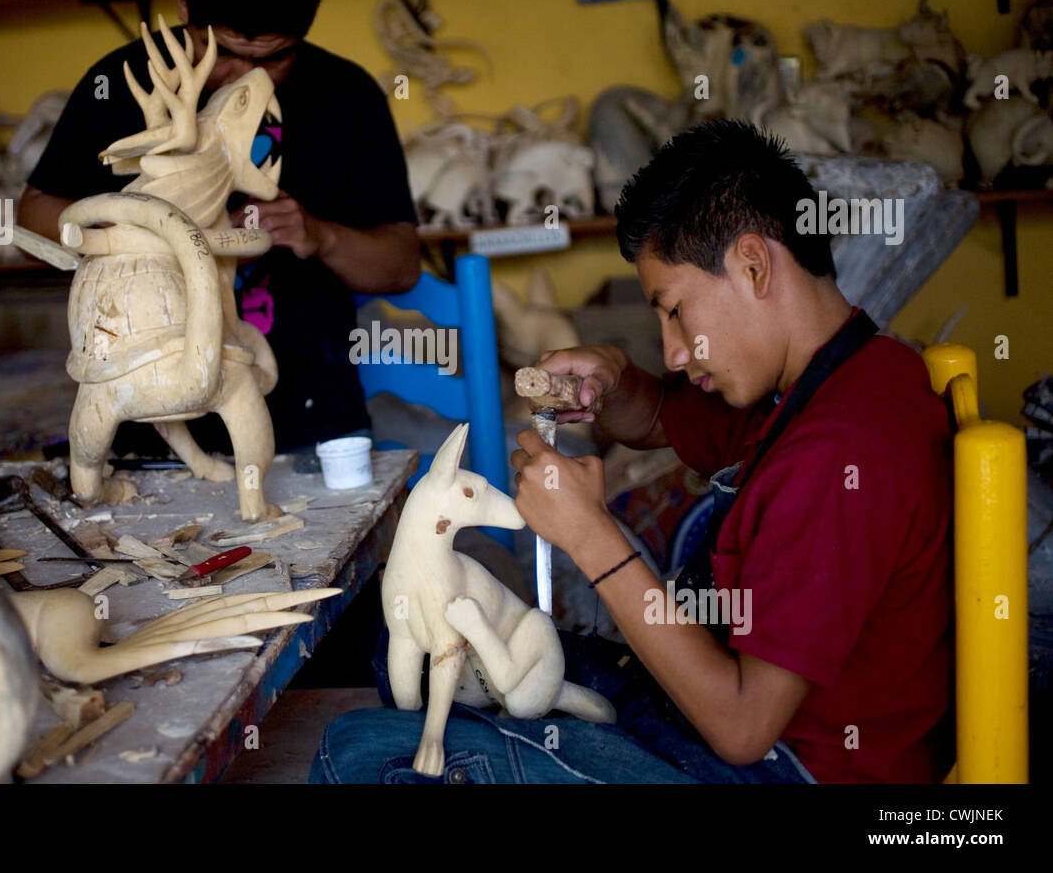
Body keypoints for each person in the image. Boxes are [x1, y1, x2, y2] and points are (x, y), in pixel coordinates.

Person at [312, 120, 954, 783]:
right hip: (724, 718)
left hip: (779, 766)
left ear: (755, 265)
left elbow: (741, 727)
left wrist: (590, 536)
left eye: (673, 309)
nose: (674, 350)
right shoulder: (831, 378)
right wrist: (610, 374)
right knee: (410, 648)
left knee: (357, 752)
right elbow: (660, 416)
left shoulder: (839, 452)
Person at [19, 0, 420, 458]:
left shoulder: (348, 98)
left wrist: (320, 236)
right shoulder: (121, 82)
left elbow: (400, 266)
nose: (243, 77)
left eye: (273, 59)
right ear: (183, 4)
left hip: (309, 422)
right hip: (144, 419)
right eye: (224, 52)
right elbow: (33, 212)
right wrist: (142, 225)